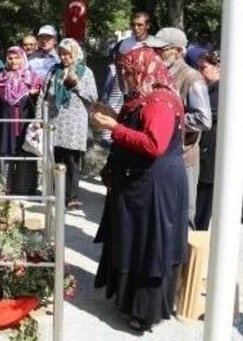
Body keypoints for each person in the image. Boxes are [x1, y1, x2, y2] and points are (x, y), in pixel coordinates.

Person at [91, 46, 188, 332]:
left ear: (141, 70)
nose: (126, 78)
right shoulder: (141, 98)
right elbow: (135, 128)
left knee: (148, 244)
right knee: (132, 240)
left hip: (153, 185)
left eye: (128, 72)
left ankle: (145, 310)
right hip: (136, 182)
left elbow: (154, 144)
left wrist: (114, 128)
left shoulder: (159, 99)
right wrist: (113, 118)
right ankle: (127, 299)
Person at [146, 27, 212, 226]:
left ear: (177, 50)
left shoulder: (192, 78)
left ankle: (183, 256)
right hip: (159, 155)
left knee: (183, 215)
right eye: (154, 49)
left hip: (184, 157)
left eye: (161, 49)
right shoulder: (157, 75)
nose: (156, 53)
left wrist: (170, 120)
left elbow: (204, 119)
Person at [41, 38, 97, 209]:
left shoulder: (85, 72)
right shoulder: (54, 70)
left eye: (67, 54)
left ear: (75, 53)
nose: (64, 58)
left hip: (75, 124)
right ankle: (57, 194)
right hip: (56, 121)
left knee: (72, 161)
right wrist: (39, 119)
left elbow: (93, 97)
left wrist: (77, 85)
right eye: (61, 54)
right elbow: (44, 95)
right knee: (56, 158)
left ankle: (72, 197)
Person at [0, 46, 42, 194]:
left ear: (22, 58)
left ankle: (24, 188)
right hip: (6, 121)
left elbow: (41, 94)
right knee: (5, 151)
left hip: (24, 120)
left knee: (25, 151)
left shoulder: (31, 75)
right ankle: (3, 187)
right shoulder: (1, 76)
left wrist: (35, 93)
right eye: (10, 58)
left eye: (17, 58)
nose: (13, 61)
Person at [195, 52, 221, 229]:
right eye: (198, 68)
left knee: (204, 199)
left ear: (217, 67)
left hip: (210, 151)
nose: (200, 72)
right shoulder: (209, 89)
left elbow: (206, 117)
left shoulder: (220, 92)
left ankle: (198, 237)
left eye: (204, 68)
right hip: (205, 149)